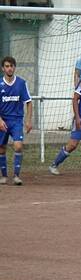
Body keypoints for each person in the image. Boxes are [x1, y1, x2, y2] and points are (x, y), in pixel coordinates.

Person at [0, 56, 33, 185]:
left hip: (16, 121)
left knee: (18, 146)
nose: (9, 68)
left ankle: (16, 176)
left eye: (11, 66)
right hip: (3, 120)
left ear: (14, 67)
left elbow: (29, 102)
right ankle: (3, 176)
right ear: (3, 68)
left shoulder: (21, 83)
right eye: (7, 66)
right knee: (1, 149)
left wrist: (28, 121)